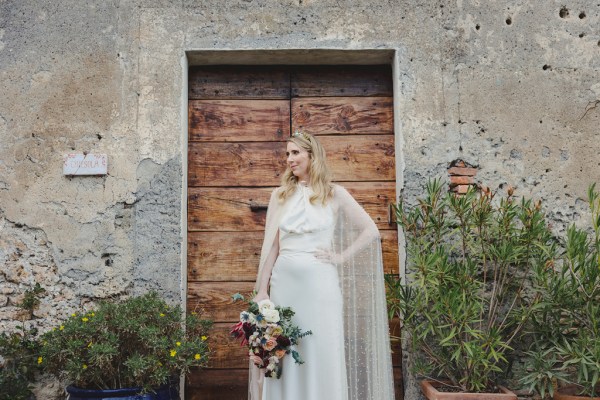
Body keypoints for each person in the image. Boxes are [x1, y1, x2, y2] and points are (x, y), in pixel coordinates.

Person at [249, 131, 395, 400]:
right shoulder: (279, 195)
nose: (290, 159)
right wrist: (262, 290)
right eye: (287, 154)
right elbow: (272, 247)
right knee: (285, 351)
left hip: (320, 288)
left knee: (320, 349)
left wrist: (340, 257)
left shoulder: (334, 193)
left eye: (295, 153)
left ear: (312, 156)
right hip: (285, 286)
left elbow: (371, 231)